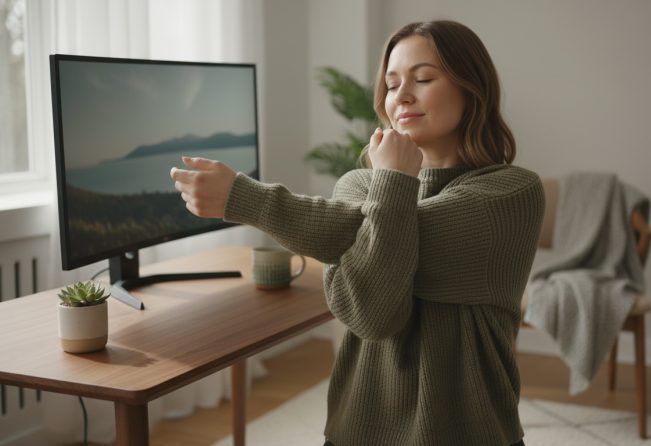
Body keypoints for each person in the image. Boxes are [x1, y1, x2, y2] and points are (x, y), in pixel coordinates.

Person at [171, 20, 544, 446]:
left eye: (423, 78)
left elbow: (393, 240)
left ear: (471, 88)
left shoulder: (512, 194)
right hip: (356, 432)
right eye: (390, 84)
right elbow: (372, 315)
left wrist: (246, 199)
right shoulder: (360, 186)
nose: (401, 95)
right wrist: (390, 184)